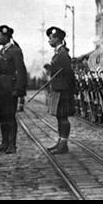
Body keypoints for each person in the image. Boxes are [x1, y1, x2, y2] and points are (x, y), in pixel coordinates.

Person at [0, 25, 27, 154]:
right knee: (1, 116)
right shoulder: (0, 52)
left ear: (6, 36)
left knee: (10, 116)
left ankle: (12, 145)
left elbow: (21, 71)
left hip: (10, 89)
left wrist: (19, 89)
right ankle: (4, 143)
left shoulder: (15, 51)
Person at [45, 26, 76, 154]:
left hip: (63, 90)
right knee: (59, 117)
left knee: (63, 117)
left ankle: (63, 144)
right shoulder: (58, 53)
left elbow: (69, 74)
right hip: (58, 88)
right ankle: (60, 142)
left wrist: (67, 89)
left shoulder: (63, 54)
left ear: (57, 39)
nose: (49, 41)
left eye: (50, 38)